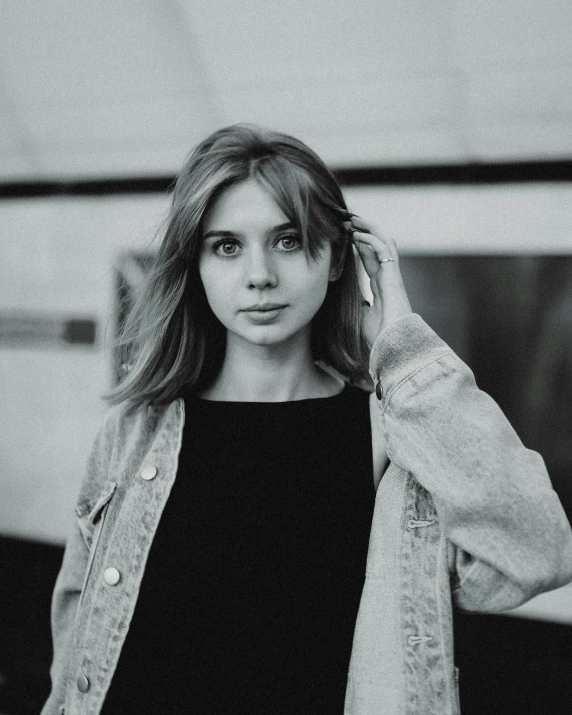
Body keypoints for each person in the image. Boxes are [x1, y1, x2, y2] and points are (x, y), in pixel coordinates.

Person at [41, 124, 572, 715]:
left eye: (288, 241)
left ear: (339, 258)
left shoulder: (390, 437)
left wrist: (405, 352)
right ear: (196, 266)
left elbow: (536, 552)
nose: (260, 274)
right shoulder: (134, 431)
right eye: (226, 246)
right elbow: (76, 634)